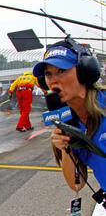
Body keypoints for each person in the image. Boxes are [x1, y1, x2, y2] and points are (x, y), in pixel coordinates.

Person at [33, 40, 106, 193]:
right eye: (48, 74)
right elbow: (76, 184)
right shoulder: (68, 123)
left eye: (61, 71)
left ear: (84, 72)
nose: (53, 80)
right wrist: (66, 148)